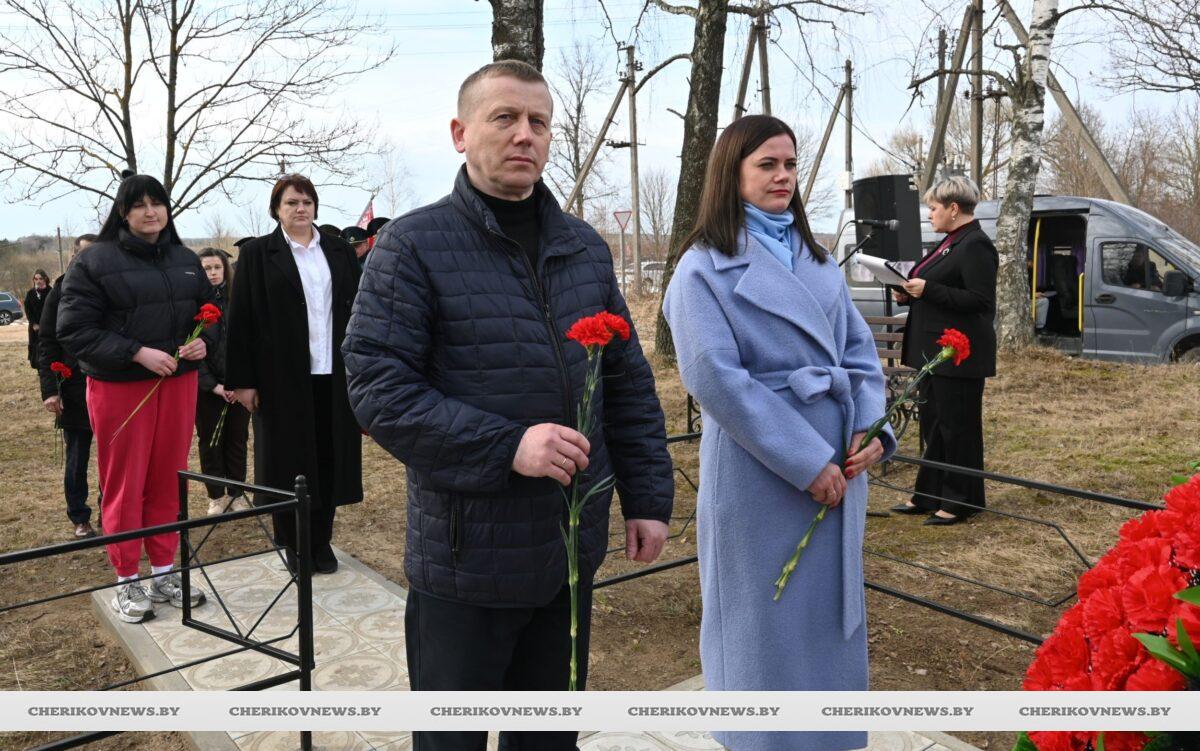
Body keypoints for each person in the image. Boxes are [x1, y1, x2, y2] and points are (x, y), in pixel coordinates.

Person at [342, 60, 673, 751]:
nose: (525, 134)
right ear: (461, 133)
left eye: (539, 122)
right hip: (467, 559)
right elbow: (377, 385)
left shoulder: (583, 248)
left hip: (566, 551)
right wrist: (507, 446)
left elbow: (627, 384)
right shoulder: (413, 245)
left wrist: (648, 497)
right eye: (505, 118)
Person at [662, 115, 894, 751]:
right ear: (732, 173)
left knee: (824, 624)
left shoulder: (816, 261)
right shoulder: (702, 269)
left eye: (790, 165)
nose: (783, 177)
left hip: (840, 466)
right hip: (760, 473)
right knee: (762, 623)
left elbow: (859, 356)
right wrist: (804, 461)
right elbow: (716, 380)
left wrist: (874, 431)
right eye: (768, 164)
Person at [57, 172, 211, 623]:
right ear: (123, 212)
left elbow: (212, 313)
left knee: (167, 478)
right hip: (121, 388)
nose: (151, 212)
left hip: (178, 385)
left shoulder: (185, 258)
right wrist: (135, 353)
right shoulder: (95, 261)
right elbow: (74, 329)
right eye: (140, 205)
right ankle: (127, 578)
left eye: (158, 203)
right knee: (126, 482)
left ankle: (164, 569)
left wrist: (206, 342)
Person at [224, 175, 363, 576]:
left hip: (333, 374)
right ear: (277, 210)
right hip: (280, 378)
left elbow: (357, 309)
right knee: (288, 462)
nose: (300, 209)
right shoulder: (257, 255)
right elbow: (242, 321)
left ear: (315, 207)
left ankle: (321, 541)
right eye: (291, 203)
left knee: (329, 457)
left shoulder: (337, 251)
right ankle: (293, 542)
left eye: (306, 202)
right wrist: (243, 381)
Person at [891, 175, 997, 525]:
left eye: (933, 208)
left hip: (959, 354)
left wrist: (929, 290)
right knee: (934, 426)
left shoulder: (975, 244)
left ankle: (960, 500)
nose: (929, 215)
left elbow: (980, 300)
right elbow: (934, 282)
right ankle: (928, 495)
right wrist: (908, 291)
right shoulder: (949, 241)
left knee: (957, 428)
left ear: (954, 208)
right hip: (936, 352)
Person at [39, 236, 98, 539]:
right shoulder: (60, 289)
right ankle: (80, 517)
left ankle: (112, 512)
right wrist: (51, 390)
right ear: (74, 255)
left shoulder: (110, 284)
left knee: (117, 459)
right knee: (77, 458)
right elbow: (46, 342)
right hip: (73, 389)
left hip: (108, 384)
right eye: (83, 253)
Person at [195, 248, 252, 517]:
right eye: (207, 268)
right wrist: (214, 386)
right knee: (210, 442)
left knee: (237, 440)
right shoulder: (192, 304)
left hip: (238, 385)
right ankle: (216, 496)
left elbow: (246, 343)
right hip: (208, 388)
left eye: (217, 267)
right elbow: (191, 348)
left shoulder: (238, 301)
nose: (213, 273)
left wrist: (238, 382)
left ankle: (237, 493)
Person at [25, 269, 52, 369]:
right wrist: (33, 324)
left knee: (48, 350)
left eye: (40, 278)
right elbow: (28, 311)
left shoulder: (51, 292)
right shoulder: (30, 293)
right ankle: (39, 369)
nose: (38, 281)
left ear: (45, 278)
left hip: (48, 327)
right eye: (36, 279)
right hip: (35, 328)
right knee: (36, 351)